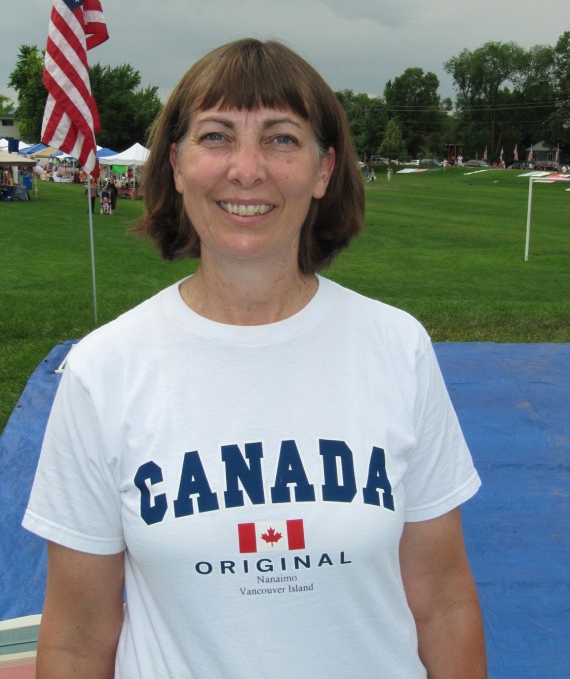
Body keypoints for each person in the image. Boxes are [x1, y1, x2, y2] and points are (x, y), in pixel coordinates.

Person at [23, 38, 486, 679]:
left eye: (281, 139)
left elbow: (442, 602)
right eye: (215, 137)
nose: (247, 169)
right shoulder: (105, 370)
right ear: (177, 164)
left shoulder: (396, 346)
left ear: (324, 170)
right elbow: (77, 636)